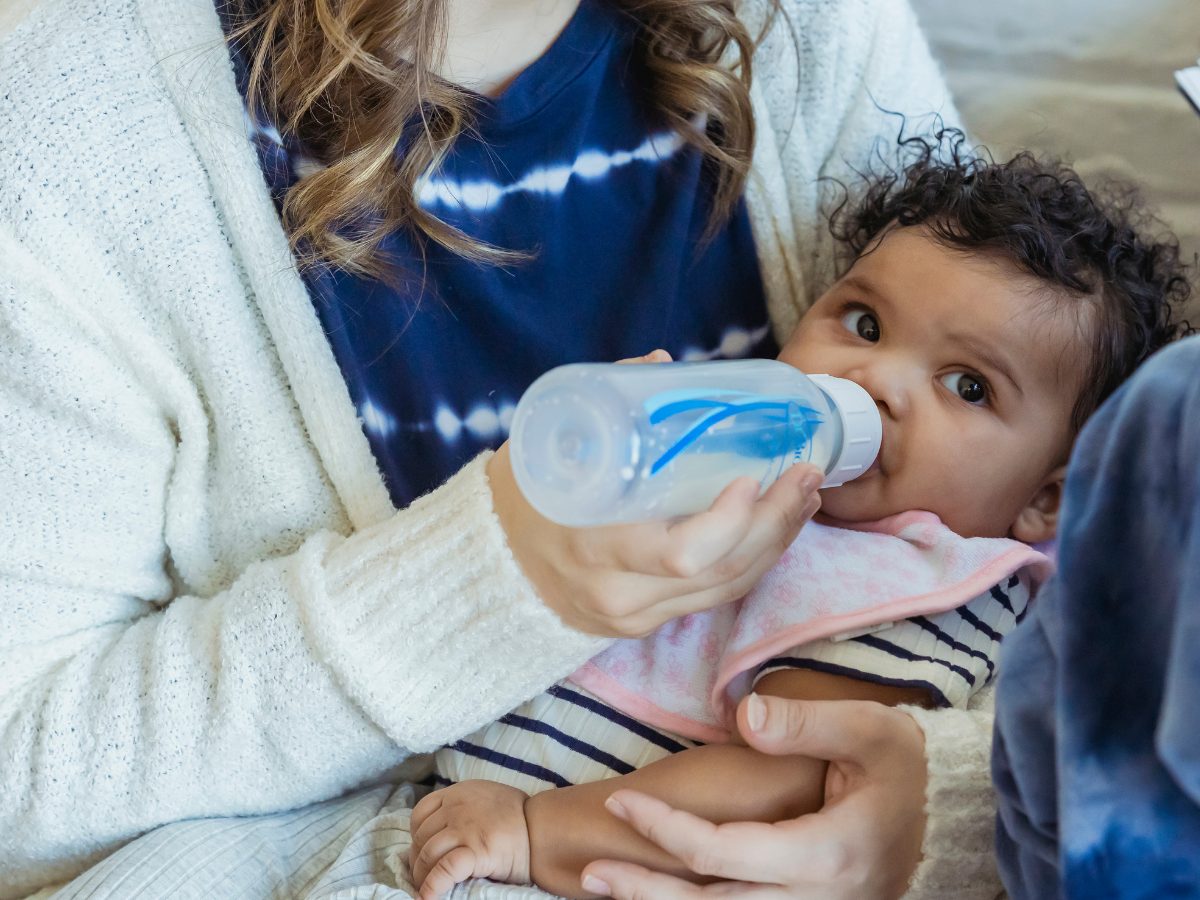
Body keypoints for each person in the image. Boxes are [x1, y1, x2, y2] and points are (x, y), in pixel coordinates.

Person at [0, 1, 1095, 899]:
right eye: (856, 324)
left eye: (952, 385)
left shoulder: (811, 29)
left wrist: (942, 807)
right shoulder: (70, 139)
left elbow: (1054, 507)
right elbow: (21, 787)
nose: (871, 383)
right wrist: (501, 578)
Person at [403, 143, 1192, 900]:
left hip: (569, 856)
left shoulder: (933, 585)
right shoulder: (732, 457)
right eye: (865, 324)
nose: (876, 379)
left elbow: (787, 780)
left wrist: (534, 832)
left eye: (969, 386)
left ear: (1044, 500)